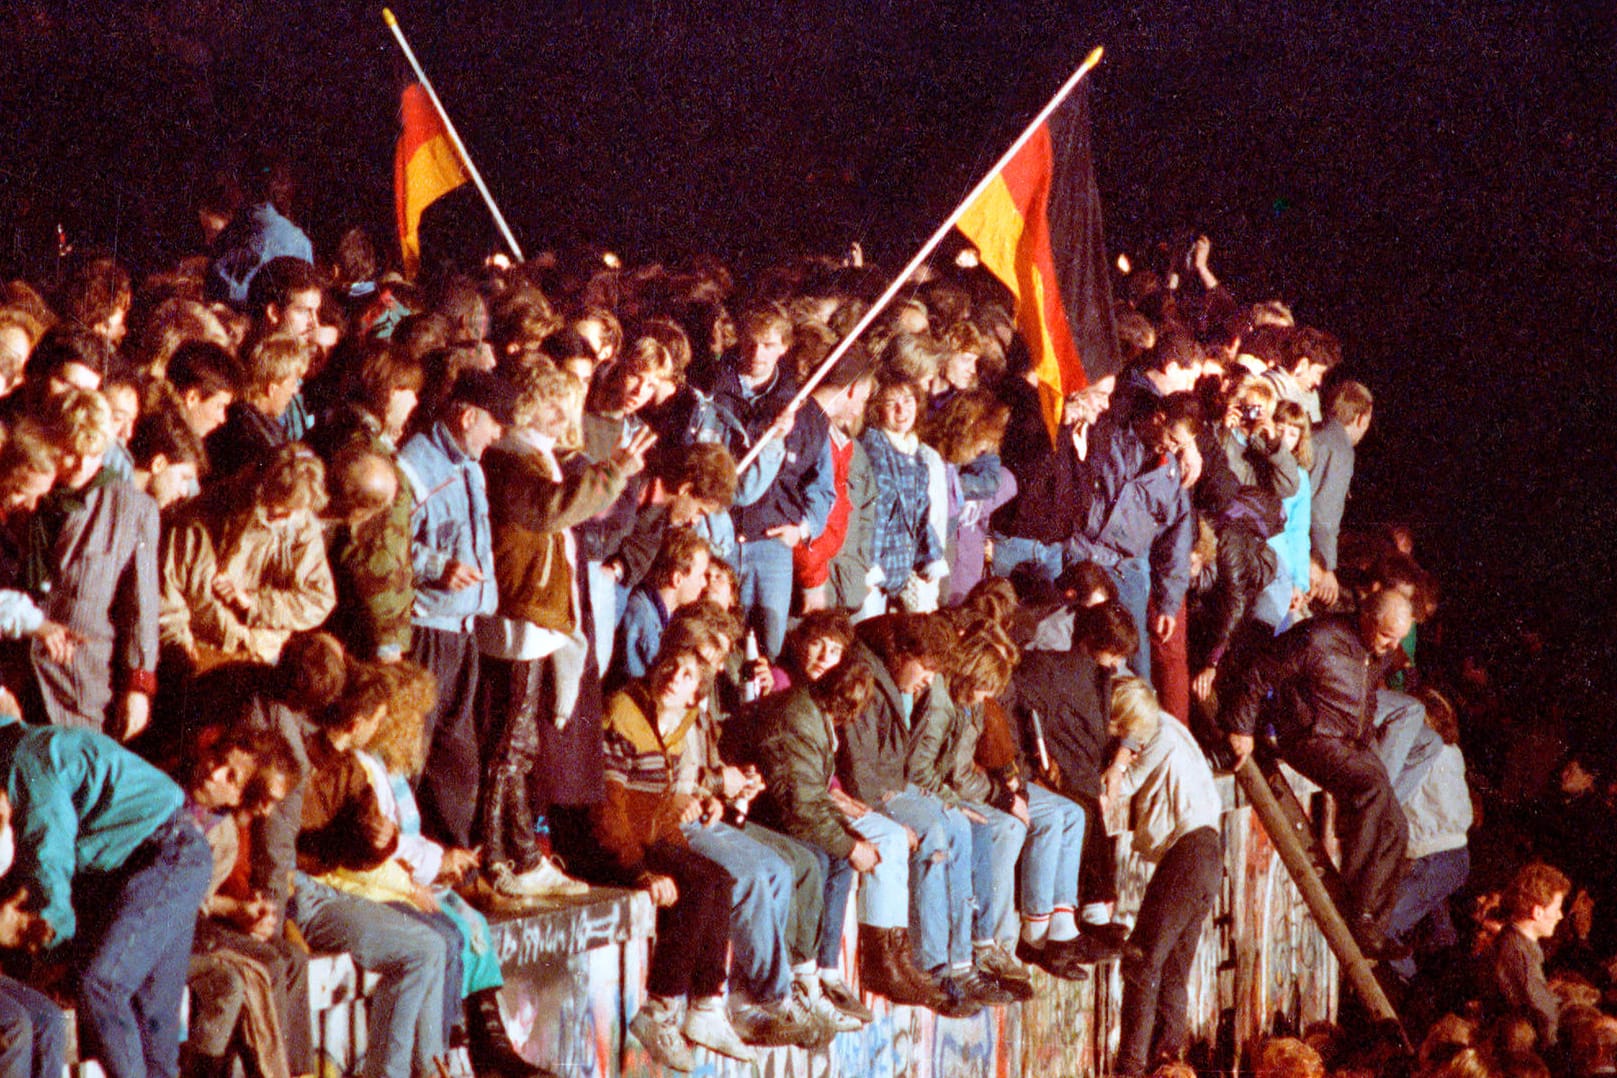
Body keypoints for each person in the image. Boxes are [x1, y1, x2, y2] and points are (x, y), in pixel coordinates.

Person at [0, 704, 215, 1078]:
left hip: (162, 857)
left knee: (103, 984)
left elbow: (49, 856)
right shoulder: (37, 744)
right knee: (153, 1021)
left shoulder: (26, 763)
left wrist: (57, 943)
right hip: (180, 854)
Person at [1223, 587, 1417, 959]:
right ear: (1366, 619)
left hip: (1348, 741)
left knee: (1397, 825)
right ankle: (1356, 906)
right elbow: (1259, 672)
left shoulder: (1374, 651)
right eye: (1386, 636)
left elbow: (1366, 699)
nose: (1391, 646)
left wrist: (1369, 745)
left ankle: (1372, 926)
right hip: (1308, 736)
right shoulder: (1316, 638)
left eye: (1397, 638)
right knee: (1371, 786)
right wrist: (1242, 728)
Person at [398, 369, 518, 848]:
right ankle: (403, 857)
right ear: (469, 415)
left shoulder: (471, 464)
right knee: (414, 750)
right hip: (426, 630)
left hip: (463, 632)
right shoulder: (414, 463)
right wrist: (435, 567)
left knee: (457, 756)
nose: (498, 436)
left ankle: (453, 857)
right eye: (495, 424)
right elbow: (388, 542)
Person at [1109, 678, 1221, 1078]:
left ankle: (1132, 1067)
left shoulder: (1159, 734)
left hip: (1189, 852)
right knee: (1173, 968)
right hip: (1209, 853)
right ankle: (1167, 1061)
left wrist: (1113, 769)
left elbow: (1125, 786)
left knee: (1142, 958)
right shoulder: (1174, 728)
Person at [1490, 862, 1570, 1049]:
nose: (1560, 915)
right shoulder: (1518, 953)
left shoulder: (1515, 941)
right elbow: (1544, 1017)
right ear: (1537, 912)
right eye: (1557, 907)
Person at [1308, 381, 1373, 607]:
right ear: (1360, 419)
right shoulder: (1341, 449)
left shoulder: (1313, 432)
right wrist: (1326, 567)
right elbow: (1324, 514)